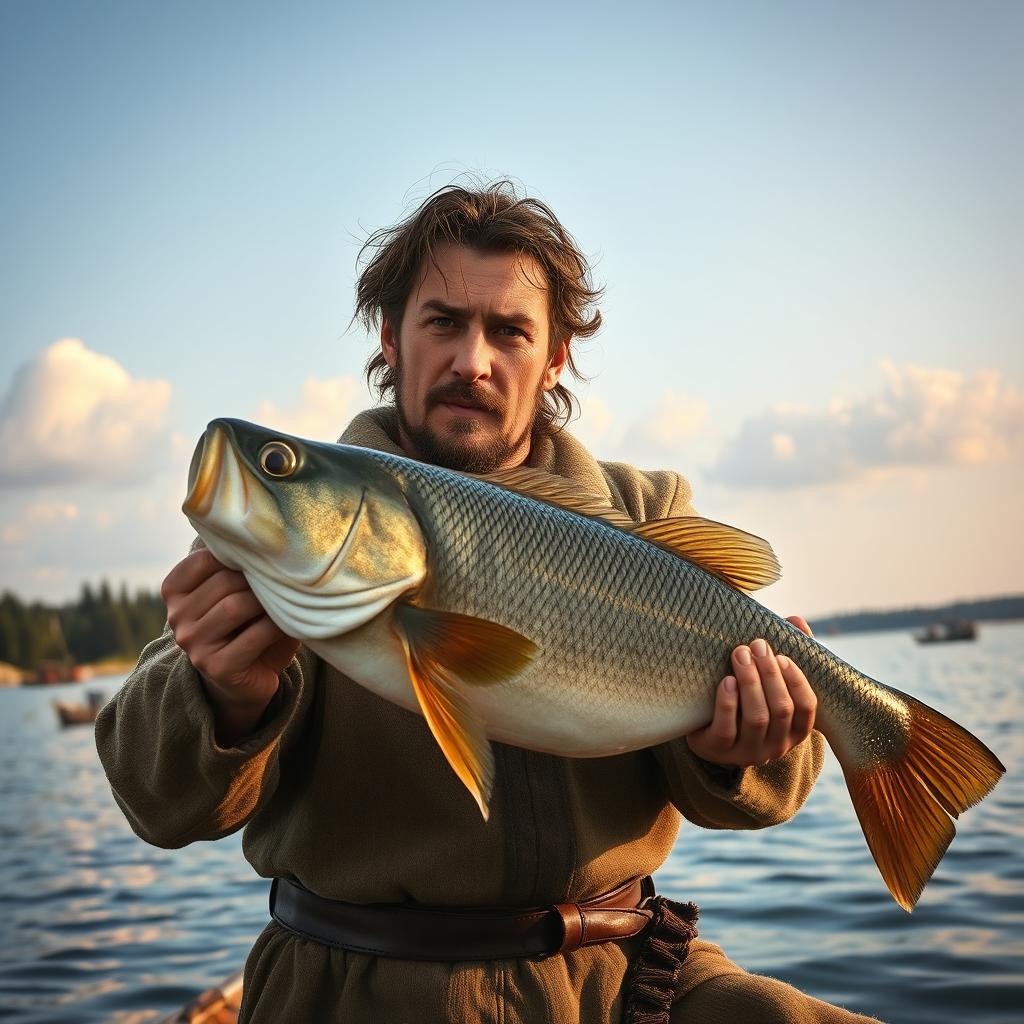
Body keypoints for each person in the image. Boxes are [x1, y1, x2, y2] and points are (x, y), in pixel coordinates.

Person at [96, 182, 880, 1023]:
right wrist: (220, 694)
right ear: (391, 340)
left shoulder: (650, 513)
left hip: (625, 979)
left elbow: (769, 788)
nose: (473, 359)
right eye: (443, 322)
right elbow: (157, 799)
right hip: (355, 990)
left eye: (509, 331)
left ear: (554, 359)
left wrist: (744, 750)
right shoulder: (287, 532)